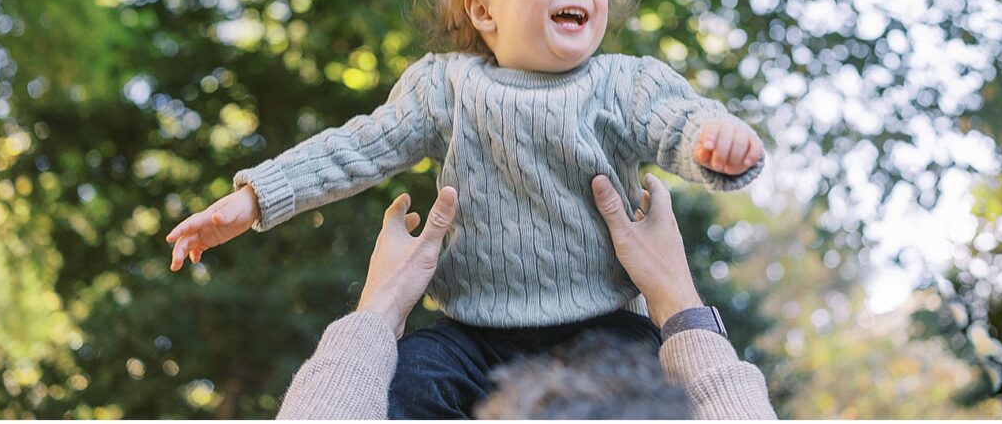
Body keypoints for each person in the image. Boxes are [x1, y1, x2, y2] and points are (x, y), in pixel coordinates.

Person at [165, 0, 767, 418]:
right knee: (403, 384)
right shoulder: (446, 88)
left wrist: (715, 142)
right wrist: (255, 198)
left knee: (654, 393)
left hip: (605, 325)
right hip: (471, 335)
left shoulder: (624, 83)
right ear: (484, 12)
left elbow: (676, 123)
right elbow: (359, 147)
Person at [275, 173, 777, 419]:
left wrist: (377, 312)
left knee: (407, 379)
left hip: (477, 337)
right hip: (607, 334)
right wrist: (677, 302)